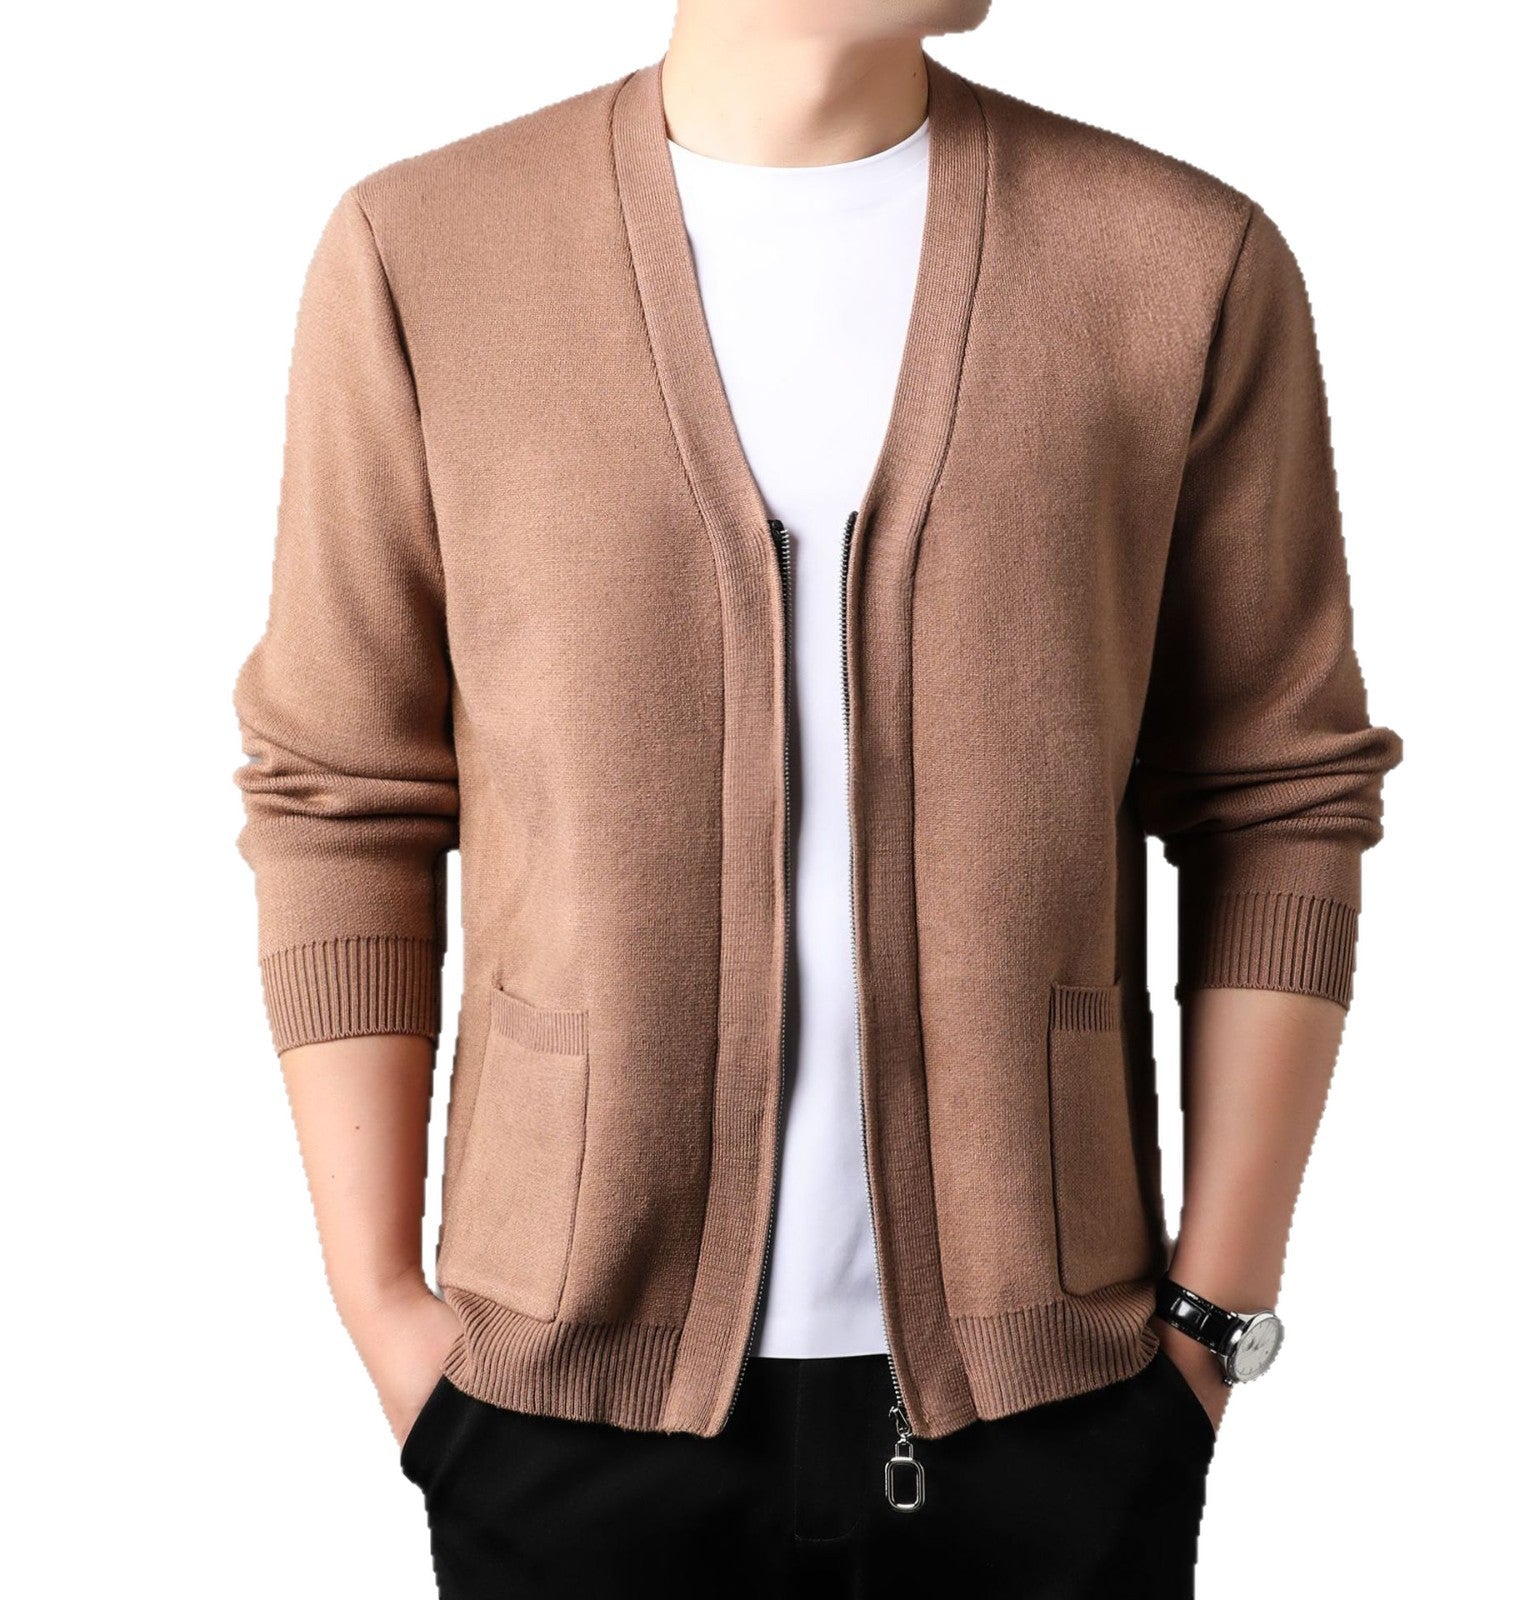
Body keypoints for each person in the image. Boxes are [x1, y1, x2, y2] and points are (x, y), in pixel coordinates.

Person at [233, 2, 1402, 1594]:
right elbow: (341, 799)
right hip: (560, 1398)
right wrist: (386, 1314)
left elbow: (1278, 797)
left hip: (1056, 1409)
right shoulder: (424, 253)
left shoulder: (1177, 259)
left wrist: (1209, 1321)